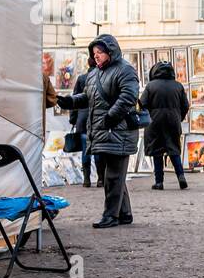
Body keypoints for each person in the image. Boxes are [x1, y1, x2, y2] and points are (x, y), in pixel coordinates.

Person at [56, 34, 141, 228]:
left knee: (112, 175)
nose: (96, 56)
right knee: (115, 175)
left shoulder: (125, 70)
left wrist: (111, 117)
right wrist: (69, 102)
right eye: (94, 53)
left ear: (110, 51)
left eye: (100, 52)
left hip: (118, 130)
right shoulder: (94, 74)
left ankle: (110, 216)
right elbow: (88, 97)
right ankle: (125, 214)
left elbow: (129, 96)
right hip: (104, 130)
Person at [142, 60, 190, 190]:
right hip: (173, 121)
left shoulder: (150, 86)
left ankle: (159, 182)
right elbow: (185, 105)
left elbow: (142, 104)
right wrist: (179, 117)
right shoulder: (178, 86)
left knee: (157, 151)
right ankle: (181, 177)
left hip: (154, 121)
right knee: (174, 149)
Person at [70, 55, 96, 188]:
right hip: (97, 118)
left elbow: (75, 100)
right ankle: (101, 178)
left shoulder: (82, 79)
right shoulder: (103, 77)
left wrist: (73, 119)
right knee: (98, 149)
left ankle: (86, 179)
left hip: (83, 118)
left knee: (86, 149)